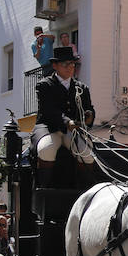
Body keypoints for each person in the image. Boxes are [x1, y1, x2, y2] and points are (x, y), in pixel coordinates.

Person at [33, 44, 96, 180]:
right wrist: (67, 121)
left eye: (72, 64)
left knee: (87, 153)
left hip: (72, 131)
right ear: (55, 66)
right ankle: (44, 189)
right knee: (46, 149)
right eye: (65, 64)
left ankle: (83, 191)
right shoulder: (44, 85)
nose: (70, 68)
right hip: (49, 129)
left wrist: (89, 116)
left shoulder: (82, 88)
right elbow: (48, 110)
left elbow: (88, 108)